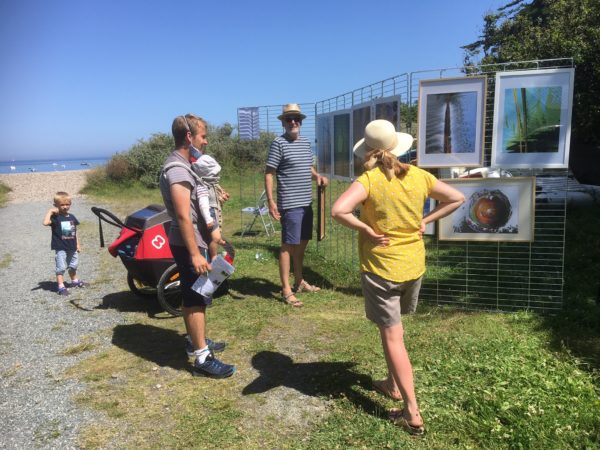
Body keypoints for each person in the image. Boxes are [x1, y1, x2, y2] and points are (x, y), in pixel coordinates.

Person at [331, 119, 464, 434]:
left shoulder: (369, 180)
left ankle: (411, 412)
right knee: (392, 331)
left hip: (382, 270)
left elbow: (338, 210)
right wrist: (426, 221)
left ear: (369, 150)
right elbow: (457, 198)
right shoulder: (419, 176)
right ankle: (391, 383)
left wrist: (365, 228)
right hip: (413, 267)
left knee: (392, 337)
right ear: (397, 146)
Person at [159, 113, 234, 378]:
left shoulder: (187, 164)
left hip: (195, 240)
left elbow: (197, 201)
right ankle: (202, 357)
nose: (206, 141)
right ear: (189, 137)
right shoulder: (177, 169)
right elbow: (182, 216)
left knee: (198, 295)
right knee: (194, 298)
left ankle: (196, 340)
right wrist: (194, 254)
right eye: (203, 136)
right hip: (187, 244)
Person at [265, 103, 329, 307]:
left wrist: (317, 175)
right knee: (287, 247)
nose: (293, 122)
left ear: (300, 122)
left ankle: (299, 281)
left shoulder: (305, 142)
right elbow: (269, 172)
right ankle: (286, 289)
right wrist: (271, 201)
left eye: (296, 119)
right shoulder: (278, 144)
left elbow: (307, 166)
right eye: (289, 119)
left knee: (301, 245)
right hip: (290, 204)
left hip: (306, 202)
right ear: (283, 122)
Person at [42, 191, 85, 296]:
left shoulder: (72, 217)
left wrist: (78, 244)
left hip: (72, 246)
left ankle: (74, 281)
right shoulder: (55, 218)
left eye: (67, 204)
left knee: (73, 265)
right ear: (56, 205)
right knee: (60, 267)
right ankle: (61, 286)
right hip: (60, 247)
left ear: (70, 204)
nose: (65, 207)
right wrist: (50, 212)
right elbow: (45, 223)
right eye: (62, 205)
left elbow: (74, 232)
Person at [191, 153, 226, 261]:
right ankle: (214, 256)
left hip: (213, 213)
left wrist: (222, 195)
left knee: (215, 236)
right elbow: (203, 203)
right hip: (209, 215)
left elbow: (214, 194)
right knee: (215, 238)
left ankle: (216, 246)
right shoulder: (202, 185)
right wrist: (208, 219)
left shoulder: (210, 184)